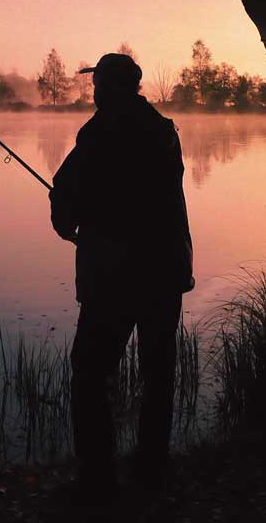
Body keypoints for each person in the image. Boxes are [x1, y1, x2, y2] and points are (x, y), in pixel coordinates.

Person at [49, 52, 194, 498]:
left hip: (114, 275)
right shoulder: (164, 130)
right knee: (158, 371)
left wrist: (67, 221)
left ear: (110, 87)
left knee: (90, 373)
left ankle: (97, 474)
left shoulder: (98, 133)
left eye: (98, 85)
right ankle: (151, 468)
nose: (93, 92)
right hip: (165, 272)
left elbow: (66, 192)